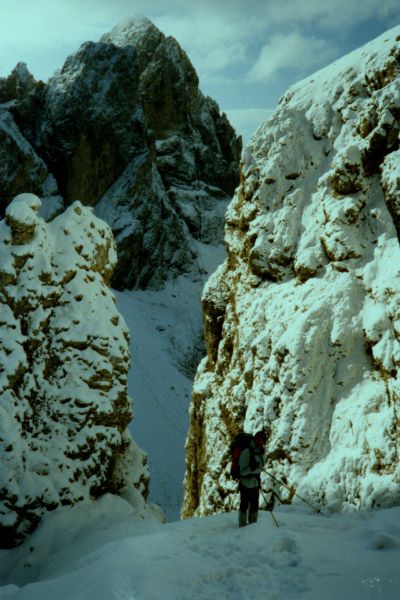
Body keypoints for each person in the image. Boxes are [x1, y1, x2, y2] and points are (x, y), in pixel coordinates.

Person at [238, 429, 267, 527]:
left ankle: (253, 528)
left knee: (254, 507)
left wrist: (255, 469)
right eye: (258, 439)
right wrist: (252, 468)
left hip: (255, 484)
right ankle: (242, 526)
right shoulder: (246, 452)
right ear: (255, 439)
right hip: (245, 483)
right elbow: (241, 472)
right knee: (244, 506)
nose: (260, 442)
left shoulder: (262, 453)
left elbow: (261, 468)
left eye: (262, 440)